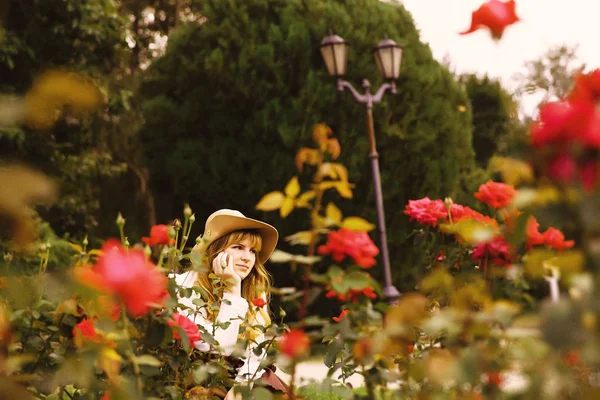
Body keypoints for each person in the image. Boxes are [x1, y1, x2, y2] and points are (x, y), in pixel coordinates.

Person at [173, 209, 285, 399]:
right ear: (215, 249)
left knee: (266, 384)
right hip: (192, 376)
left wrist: (241, 387)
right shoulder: (184, 285)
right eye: (239, 247)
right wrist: (232, 289)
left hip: (237, 377)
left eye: (253, 251)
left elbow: (255, 352)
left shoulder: (253, 289)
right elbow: (218, 346)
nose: (247, 257)